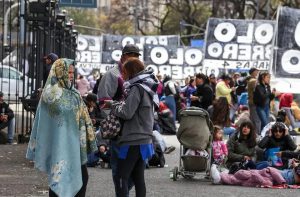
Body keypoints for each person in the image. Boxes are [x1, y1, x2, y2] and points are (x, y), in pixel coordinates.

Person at [26, 59, 97, 197]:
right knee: (58, 178)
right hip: (59, 144)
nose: (71, 75)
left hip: (75, 143)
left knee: (82, 177)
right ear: (59, 71)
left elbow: (79, 116)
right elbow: (55, 121)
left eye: (72, 72)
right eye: (68, 72)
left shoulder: (73, 92)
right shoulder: (50, 94)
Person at [108, 58, 158, 197]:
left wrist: (112, 105)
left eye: (123, 72)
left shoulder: (136, 88)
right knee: (138, 178)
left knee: (121, 177)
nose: (121, 75)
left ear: (131, 72)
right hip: (144, 139)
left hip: (133, 139)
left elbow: (127, 113)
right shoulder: (147, 86)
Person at [97, 44, 140, 197]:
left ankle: (123, 192)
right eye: (131, 55)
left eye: (136, 55)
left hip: (136, 130)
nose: (134, 58)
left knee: (138, 169)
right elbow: (103, 102)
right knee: (120, 169)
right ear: (123, 56)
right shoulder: (112, 75)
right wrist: (113, 122)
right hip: (119, 130)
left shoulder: (138, 75)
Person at [247, 67, 261, 134]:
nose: (257, 72)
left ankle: (253, 134)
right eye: (256, 71)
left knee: (253, 119)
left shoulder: (252, 80)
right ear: (253, 72)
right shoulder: (253, 81)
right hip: (254, 102)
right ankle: (257, 134)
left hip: (252, 102)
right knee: (256, 120)